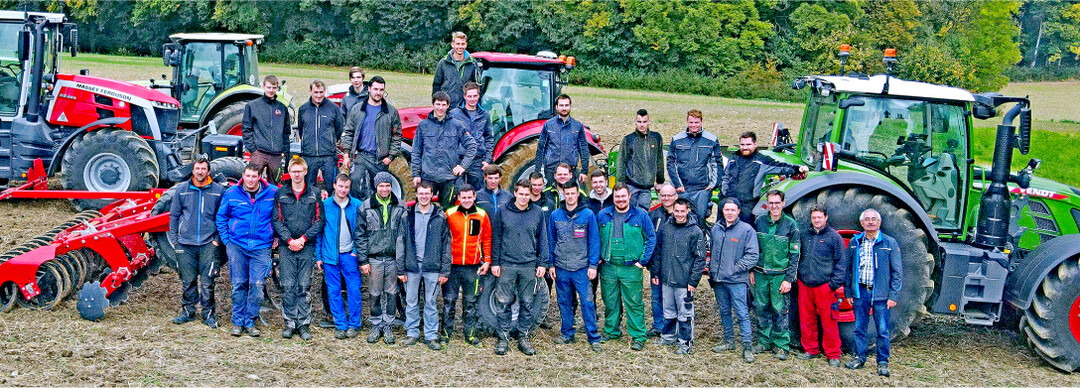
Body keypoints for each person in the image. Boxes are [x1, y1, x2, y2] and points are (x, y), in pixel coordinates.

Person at [217, 163, 278, 337]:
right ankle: (237, 322)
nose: (250, 180)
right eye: (248, 176)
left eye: (254, 176)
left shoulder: (272, 193)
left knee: (257, 285)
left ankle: (250, 321)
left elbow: (279, 216)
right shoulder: (231, 193)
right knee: (239, 284)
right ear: (243, 176)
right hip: (237, 245)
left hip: (261, 246)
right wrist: (227, 241)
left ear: (260, 177)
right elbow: (221, 217)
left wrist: (276, 236)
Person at [491, 180, 550, 356]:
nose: (524, 197)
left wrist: (542, 263)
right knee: (503, 302)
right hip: (507, 264)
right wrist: (495, 262)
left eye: (527, 194)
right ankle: (503, 338)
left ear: (531, 195)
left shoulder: (537, 212)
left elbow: (542, 239)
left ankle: (523, 337)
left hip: (528, 265)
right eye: (521, 194)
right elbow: (496, 238)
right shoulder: (503, 211)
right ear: (515, 193)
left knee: (527, 303)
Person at [596, 183, 656, 351]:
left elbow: (651, 238)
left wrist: (642, 261)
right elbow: (595, 238)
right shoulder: (603, 215)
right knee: (610, 301)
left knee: (634, 302)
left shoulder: (641, 215)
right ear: (613, 198)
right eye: (617, 196)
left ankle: (638, 336)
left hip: (631, 268)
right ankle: (611, 331)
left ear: (629, 196)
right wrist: (598, 257)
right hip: (608, 266)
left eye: (623, 196)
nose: (620, 199)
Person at [271, 157, 325, 341]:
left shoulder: (314, 193)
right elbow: (276, 220)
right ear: (289, 172)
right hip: (286, 247)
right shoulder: (281, 193)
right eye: (293, 171)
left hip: (306, 245)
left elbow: (319, 221)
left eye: (299, 171)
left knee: (304, 286)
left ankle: (303, 324)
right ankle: (289, 323)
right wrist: (289, 240)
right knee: (288, 286)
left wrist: (303, 239)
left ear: (305, 172)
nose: (296, 174)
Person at [844, 208, 902, 377]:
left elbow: (897, 272)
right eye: (867, 219)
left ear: (879, 222)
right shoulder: (855, 242)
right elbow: (848, 269)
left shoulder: (889, 243)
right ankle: (859, 357)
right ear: (862, 223)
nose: (870, 222)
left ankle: (882, 362)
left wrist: (893, 295)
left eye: (873, 219)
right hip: (861, 291)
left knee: (882, 330)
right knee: (859, 328)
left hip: (881, 294)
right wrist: (849, 292)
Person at [169, 157, 226, 329]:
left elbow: (223, 217)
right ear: (193, 170)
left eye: (203, 169)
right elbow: (174, 215)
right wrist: (175, 239)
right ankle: (188, 312)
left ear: (208, 171)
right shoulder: (182, 189)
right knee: (188, 281)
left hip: (209, 243)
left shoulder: (218, 191)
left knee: (208, 282)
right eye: (197, 169)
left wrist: (217, 240)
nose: (200, 172)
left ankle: (208, 315)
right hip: (185, 243)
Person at [547, 180, 602, 352]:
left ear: (578, 194)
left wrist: (593, 265)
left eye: (573, 193)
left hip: (582, 268)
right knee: (564, 302)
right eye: (567, 193)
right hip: (561, 267)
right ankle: (567, 333)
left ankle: (593, 336)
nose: (570, 196)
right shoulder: (555, 215)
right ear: (563, 194)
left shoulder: (588, 215)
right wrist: (551, 264)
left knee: (587, 302)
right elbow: (551, 240)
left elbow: (594, 240)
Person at [397, 181, 452, 351]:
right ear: (416, 194)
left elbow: (446, 244)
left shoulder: (440, 216)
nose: (424, 196)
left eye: (427, 193)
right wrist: (400, 268)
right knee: (411, 301)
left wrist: (445, 270)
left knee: (431, 302)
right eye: (421, 193)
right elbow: (401, 241)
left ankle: (431, 335)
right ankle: (412, 333)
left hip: (432, 267)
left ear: (432, 195)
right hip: (411, 266)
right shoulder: (407, 215)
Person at [650, 199, 706, 355]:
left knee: (685, 314)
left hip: (684, 281)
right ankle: (668, 337)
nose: (680, 214)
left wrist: (693, 281)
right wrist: (656, 272)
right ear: (673, 211)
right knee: (668, 311)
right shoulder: (666, 227)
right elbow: (658, 251)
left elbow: (700, 259)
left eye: (682, 211)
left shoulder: (695, 231)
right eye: (677, 211)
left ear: (688, 211)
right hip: (667, 279)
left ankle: (685, 342)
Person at [316, 174, 368, 340]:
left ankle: (354, 324)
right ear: (334, 185)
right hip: (330, 255)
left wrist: (357, 251)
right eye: (340, 186)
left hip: (350, 254)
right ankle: (340, 324)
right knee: (333, 291)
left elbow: (363, 230)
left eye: (346, 187)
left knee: (354, 290)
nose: (343, 190)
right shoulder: (325, 205)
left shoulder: (357, 205)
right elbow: (319, 232)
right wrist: (318, 255)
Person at [357, 172, 406, 345]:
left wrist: (402, 261)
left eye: (387, 185)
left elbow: (404, 235)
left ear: (391, 187)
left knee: (391, 293)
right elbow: (360, 235)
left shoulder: (400, 206)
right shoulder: (366, 207)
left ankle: (388, 325)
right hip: (374, 258)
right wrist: (363, 260)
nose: (385, 189)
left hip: (393, 258)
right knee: (374, 293)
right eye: (381, 186)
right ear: (376, 187)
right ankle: (376, 324)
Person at [750, 190, 800, 359]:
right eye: (771, 203)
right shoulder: (760, 222)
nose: (774, 206)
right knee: (761, 308)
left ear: (783, 203)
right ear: (767, 204)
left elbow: (795, 255)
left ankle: (781, 345)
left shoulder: (791, 225)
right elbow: (753, 249)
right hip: (760, 273)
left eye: (777, 203)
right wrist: (751, 270)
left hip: (780, 276)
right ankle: (763, 341)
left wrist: (789, 279)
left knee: (780, 310)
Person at [708, 198, 759, 363]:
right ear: (722, 211)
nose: (729, 213)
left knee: (742, 313)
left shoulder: (746, 230)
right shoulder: (716, 229)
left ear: (738, 211)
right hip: (719, 280)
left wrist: (735, 268)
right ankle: (729, 341)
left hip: (736, 280)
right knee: (724, 311)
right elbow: (713, 251)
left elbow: (753, 255)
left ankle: (747, 347)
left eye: (733, 210)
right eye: (726, 209)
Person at [797, 204, 848, 367]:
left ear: (826, 217)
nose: (817, 220)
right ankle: (810, 350)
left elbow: (841, 262)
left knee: (829, 321)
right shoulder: (804, 235)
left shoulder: (834, 237)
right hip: (805, 284)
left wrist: (834, 284)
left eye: (819, 217)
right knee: (806, 319)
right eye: (814, 217)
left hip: (825, 286)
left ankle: (833, 354)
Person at [442, 183, 492, 345]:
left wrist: (487, 260)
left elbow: (487, 239)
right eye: (464, 197)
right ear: (458, 198)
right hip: (452, 266)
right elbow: (443, 239)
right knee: (449, 301)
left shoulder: (482, 215)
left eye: (470, 197)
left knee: (471, 302)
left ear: (474, 197)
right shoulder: (449, 214)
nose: (467, 200)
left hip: (473, 266)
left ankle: (470, 334)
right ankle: (445, 334)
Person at [721, 131, 808, 224]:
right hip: (728, 203)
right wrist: (724, 194)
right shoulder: (733, 158)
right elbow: (725, 177)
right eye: (742, 144)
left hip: (747, 206)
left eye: (748, 144)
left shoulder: (762, 161)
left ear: (755, 144)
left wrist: (798, 168)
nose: (745, 147)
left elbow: (780, 166)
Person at [411, 91, 478, 208]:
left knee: (447, 210)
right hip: (428, 177)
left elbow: (472, 145)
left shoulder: (456, 125)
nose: (440, 108)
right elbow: (416, 151)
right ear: (433, 104)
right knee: (423, 208)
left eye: (443, 105)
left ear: (448, 106)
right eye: (438, 104)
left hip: (449, 178)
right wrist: (416, 174)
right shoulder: (423, 125)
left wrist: (463, 166)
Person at [342, 76, 402, 201]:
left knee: (380, 190)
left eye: (381, 90)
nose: (378, 92)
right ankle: (359, 210)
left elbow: (396, 136)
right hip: (362, 156)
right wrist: (346, 154)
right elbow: (348, 132)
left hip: (380, 159)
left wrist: (390, 157)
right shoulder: (357, 109)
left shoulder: (390, 112)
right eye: (375, 89)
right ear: (368, 89)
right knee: (355, 181)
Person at [667, 109, 723, 222]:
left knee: (700, 219)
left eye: (696, 122)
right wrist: (678, 184)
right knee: (680, 220)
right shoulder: (677, 139)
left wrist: (712, 185)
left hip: (702, 189)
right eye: (691, 122)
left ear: (701, 122)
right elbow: (670, 162)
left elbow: (717, 163)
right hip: (682, 189)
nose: (693, 125)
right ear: (687, 122)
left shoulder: (711, 140)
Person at [297, 80, 345, 195]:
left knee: (332, 187)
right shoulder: (303, 109)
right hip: (309, 155)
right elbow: (301, 129)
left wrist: (329, 141)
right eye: (316, 92)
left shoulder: (333, 108)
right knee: (308, 188)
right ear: (310, 91)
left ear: (325, 91)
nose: (318, 95)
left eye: (321, 92)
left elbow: (339, 128)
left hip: (328, 156)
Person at [646, 184, 681, 337]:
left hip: (677, 266)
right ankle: (658, 325)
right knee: (656, 297)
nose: (666, 198)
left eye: (669, 195)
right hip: (658, 265)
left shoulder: (682, 215)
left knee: (676, 298)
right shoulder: (653, 215)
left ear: (676, 196)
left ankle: (676, 327)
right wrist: (652, 266)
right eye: (663, 195)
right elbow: (649, 240)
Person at [242, 75, 291, 184]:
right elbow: (246, 129)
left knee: (275, 185)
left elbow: (286, 132)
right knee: (252, 182)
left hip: (276, 155)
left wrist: (284, 152)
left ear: (277, 88)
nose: (271, 90)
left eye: (274, 88)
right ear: (263, 87)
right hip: (259, 153)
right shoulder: (252, 106)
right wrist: (253, 150)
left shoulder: (282, 108)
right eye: (268, 87)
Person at [534, 94, 590, 186]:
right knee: (550, 194)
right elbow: (541, 148)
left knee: (570, 194)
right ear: (556, 107)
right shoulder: (548, 125)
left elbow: (584, 149)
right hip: (551, 171)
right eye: (561, 105)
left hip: (570, 171)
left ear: (570, 107)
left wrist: (584, 171)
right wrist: (537, 171)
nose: (564, 108)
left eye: (566, 105)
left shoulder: (577, 126)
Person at [617, 109, 664, 210]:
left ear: (649, 122)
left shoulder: (656, 138)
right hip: (631, 186)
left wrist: (660, 181)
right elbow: (621, 162)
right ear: (635, 122)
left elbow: (659, 160)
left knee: (643, 213)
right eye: (639, 122)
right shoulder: (628, 139)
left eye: (644, 122)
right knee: (629, 213)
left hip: (647, 188)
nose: (642, 125)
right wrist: (621, 184)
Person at [450, 82, 492, 190]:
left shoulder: (484, 115)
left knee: (477, 193)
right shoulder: (454, 114)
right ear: (464, 96)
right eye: (469, 96)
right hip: (458, 160)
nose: (472, 99)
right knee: (457, 192)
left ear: (478, 96)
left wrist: (487, 159)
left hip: (477, 161)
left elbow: (489, 138)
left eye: (475, 96)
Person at [432, 31, 480, 108]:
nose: (460, 47)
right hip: (447, 107)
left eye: (462, 44)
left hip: (465, 108)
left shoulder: (472, 63)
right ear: (452, 44)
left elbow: (477, 86)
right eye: (458, 44)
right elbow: (436, 85)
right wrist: (437, 104)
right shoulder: (443, 62)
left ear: (466, 44)